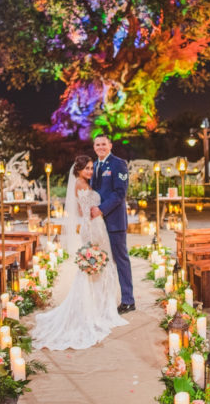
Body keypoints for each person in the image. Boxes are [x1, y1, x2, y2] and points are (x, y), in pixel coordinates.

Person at [31, 155, 128, 350]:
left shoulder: (83, 183)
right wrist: (93, 229)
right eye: (87, 169)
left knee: (101, 267)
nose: (90, 171)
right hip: (93, 228)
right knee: (97, 266)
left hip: (93, 225)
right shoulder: (80, 184)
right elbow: (86, 210)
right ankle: (94, 308)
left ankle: (99, 305)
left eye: (92, 168)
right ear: (78, 170)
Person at [90, 134, 135, 314]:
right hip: (98, 223)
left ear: (110, 145)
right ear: (94, 147)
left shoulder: (118, 164)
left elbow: (119, 193)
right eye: (97, 144)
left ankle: (128, 300)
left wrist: (101, 209)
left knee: (120, 260)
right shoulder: (94, 166)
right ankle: (104, 298)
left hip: (114, 221)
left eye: (103, 144)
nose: (101, 147)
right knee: (101, 261)